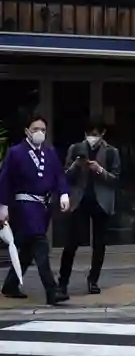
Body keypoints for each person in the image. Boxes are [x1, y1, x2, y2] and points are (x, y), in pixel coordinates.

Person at [0, 113, 70, 305]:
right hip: (24, 206)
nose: (39, 133)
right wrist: (3, 206)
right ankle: (52, 290)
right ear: (26, 131)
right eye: (35, 129)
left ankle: (10, 285)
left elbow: (59, 175)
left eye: (43, 130)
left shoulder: (50, 152)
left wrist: (64, 193)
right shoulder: (16, 152)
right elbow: (5, 180)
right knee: (40, 245)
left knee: (27, 250)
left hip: (43, 207)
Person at [58, 119, 121, 296]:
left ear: (103, 134)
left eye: (95, 134)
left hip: (101, 202)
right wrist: (75, 165)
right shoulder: (75, 149)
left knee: (99, 244)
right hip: (80, 201)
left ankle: (93, 280)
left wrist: (100, 170)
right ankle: (62, 282)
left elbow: (115, 179)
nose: (92, 137)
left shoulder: (111, 152)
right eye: (89, 134)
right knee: (71, 243)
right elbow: (65, 176)